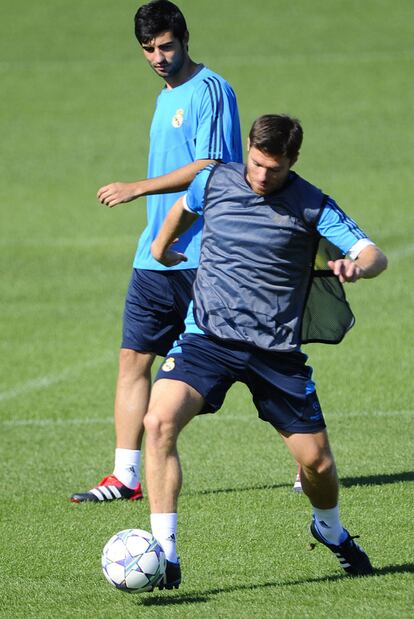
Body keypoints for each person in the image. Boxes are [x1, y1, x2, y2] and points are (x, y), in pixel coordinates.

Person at [142, 114, 387, 588]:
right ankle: (165, 554)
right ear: (249, 149)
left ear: (292, 161)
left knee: (316, 463)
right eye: (255, 163)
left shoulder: (312, 204)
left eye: (272, 169)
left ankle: (330, 530)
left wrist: (358, 267)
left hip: (274, 353)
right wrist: (160, 246)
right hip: (207, 338)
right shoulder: (215, 180)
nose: (260, 176)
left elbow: (374, 253)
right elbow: (185, 207)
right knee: (158, 422)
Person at [70, 0, 242, 503]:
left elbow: (211, 166)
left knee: (248, 362)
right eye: (148, 49)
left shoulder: (211, 91)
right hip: (155, 255)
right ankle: (125, 475)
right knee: (132, 359)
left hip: (204, 257)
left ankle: (306, 456)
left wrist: (137, 188)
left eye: (166, 46)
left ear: (185, 38)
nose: (158, 57)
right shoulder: (166, 95)